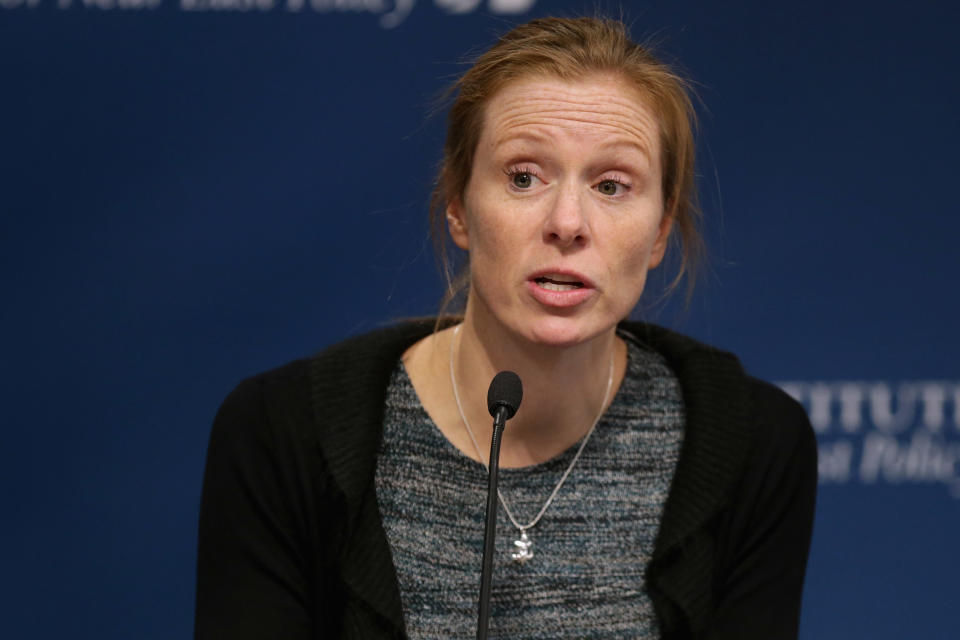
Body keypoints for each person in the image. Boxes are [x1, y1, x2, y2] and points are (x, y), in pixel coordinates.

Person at [194, 16, 817, 640]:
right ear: (459, 208)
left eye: (611, 184)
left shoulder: (753, 444)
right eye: (523, 177)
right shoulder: (282, 436)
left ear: (659, 231)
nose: (567, 222)